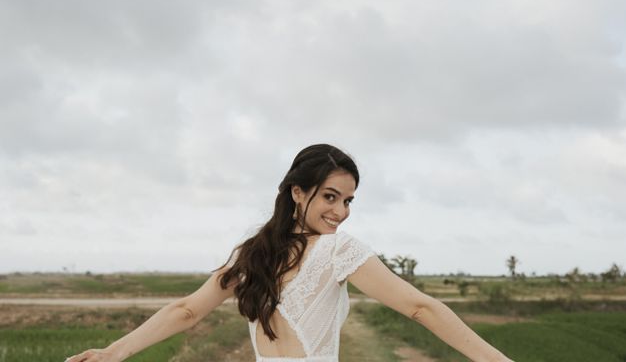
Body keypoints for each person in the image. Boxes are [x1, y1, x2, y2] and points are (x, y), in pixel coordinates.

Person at [66, 143, 514, 362]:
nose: (340, 212)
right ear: (298, 193)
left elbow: (186, 311)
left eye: (349, 201)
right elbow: (419, 307)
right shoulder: (337, 251)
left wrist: (113, 353)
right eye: (330, 197)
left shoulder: (251, 255)